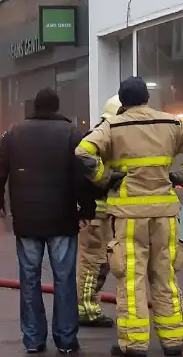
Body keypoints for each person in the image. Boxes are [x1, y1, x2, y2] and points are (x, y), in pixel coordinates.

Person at [75, 77, 183, 357]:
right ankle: (174, 341)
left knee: (131, 280)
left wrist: (107, 178)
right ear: (146, 99)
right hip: (164, 214)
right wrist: (181, 177)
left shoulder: (112, 126)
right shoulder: (171, 124)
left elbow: (83, 154)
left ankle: (135, 345)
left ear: (122, 101)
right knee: (164, 277)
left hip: (129, 216)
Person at [0, 88, 94, 355]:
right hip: (62, 219)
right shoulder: (71, 133)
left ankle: (33, 339)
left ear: (34, 107)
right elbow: (85, 172)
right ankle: (66, 339)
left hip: (27, 219)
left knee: (30, 278)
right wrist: (86, 209)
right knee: (64, 278)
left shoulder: (13, 134)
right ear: (57, 107)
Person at [76, 96, 120, 328]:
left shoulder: (99, 138)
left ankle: (88, 305)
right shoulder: (97, 142)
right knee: (93, 263)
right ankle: (85, 309)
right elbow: (85, 178)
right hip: (96, 216)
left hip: (105, 214)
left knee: (101, 263)